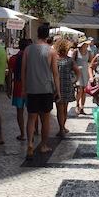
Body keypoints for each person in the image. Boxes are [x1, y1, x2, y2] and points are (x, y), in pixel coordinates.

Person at [21, 25, 60, 159]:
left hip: (31, 88)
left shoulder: (27, 49)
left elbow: (23, 70)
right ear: (47, 35)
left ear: (37, 34)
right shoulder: (51, 51)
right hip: (46, 88)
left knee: (31, 118)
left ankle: (30, 144)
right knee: (45, 119)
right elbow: (55, 73)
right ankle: (43, 145)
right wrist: (58, 90)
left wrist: (23, 88)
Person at [54, 38, 81, 136]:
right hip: (67, 85)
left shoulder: (54, 59)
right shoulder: (69, 60)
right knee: (64, 108)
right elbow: (78, 71)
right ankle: (62, 127)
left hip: (57, 86)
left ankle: (61, 128)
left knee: (59, 109)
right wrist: (74, 81)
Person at [9, 38, 32, 141]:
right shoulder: (31, 59)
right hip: (30, 88)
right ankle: (34, 131)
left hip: (18, 88)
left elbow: (10, 75)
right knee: (32, 111)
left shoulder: (13, 58)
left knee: (19, 111)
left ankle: (22, 134)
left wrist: (9, 88)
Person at [71, 39, 92, 115]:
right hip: (78, 72)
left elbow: (91, 62)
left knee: (84, 91)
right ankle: (77, 105)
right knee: (79, 90)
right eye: (85, 44)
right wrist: (76, 68)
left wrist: (91, 74)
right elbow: (72, 61)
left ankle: (82, 107)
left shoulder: (89, 52)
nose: (86, 45)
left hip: (85, 72)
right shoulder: (76, 51)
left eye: (86, 44)